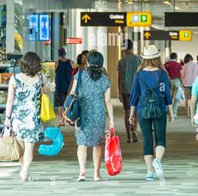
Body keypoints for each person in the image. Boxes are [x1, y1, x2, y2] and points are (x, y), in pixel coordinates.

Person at [129, 45, 174, 181]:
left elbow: (134, 96)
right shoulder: (162, 74)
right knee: (161, 139)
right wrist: (170, 112)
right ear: (157, 58)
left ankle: (149, 172)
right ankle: (158, 160)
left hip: (143, 110)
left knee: (147, 141)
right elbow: (167, 94)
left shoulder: (139, 74)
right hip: (159, 109)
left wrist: (131, 115)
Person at [4, 52, 50, 182]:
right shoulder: (41, 78)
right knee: (29, 147)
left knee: (21, 147)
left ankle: (24, 171)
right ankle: (24, 172)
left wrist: (7, 118)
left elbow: (10, 100)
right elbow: (46, 91)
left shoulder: (14, 78)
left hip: (18, 117)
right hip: (33, 117)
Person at [70, 51, 114, 182]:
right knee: (97, 144)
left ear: (88, 62)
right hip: (98, 114)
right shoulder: (105, 79)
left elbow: (73, 92)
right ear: (101, 64)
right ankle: (96, 173)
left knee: (82, 143)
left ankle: (82, 172)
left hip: (81, 114)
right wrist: (111, 120)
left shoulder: (80, 75)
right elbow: (107, 101)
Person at [117, 39, 141, 143]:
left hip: (126, 90)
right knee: (136, 112)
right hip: (138, 90)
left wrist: (119, 92)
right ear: (131, 47)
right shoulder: (139, 59)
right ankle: (135, 130)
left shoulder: (121, 61)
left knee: (127, 112)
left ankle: (128, 137)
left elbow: (120, 77)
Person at [55, 47, 74, 124]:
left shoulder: (57, 62)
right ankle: (69, 119)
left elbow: (53, 71)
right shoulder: (71, 62)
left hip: (59, 86)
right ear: (65, 53)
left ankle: (62, 120)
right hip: (69, 85)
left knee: (61, 104)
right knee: (69, 103)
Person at [165, 52, 183, 118]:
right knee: (176, 97)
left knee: (169, 96)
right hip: (176, 81)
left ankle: (168, 111)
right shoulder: (178, 64)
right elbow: (181, 75)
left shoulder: (166, 64)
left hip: (168, 81)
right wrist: (182, 83)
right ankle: (174, 112)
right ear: (176, 57)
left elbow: (164, 73)